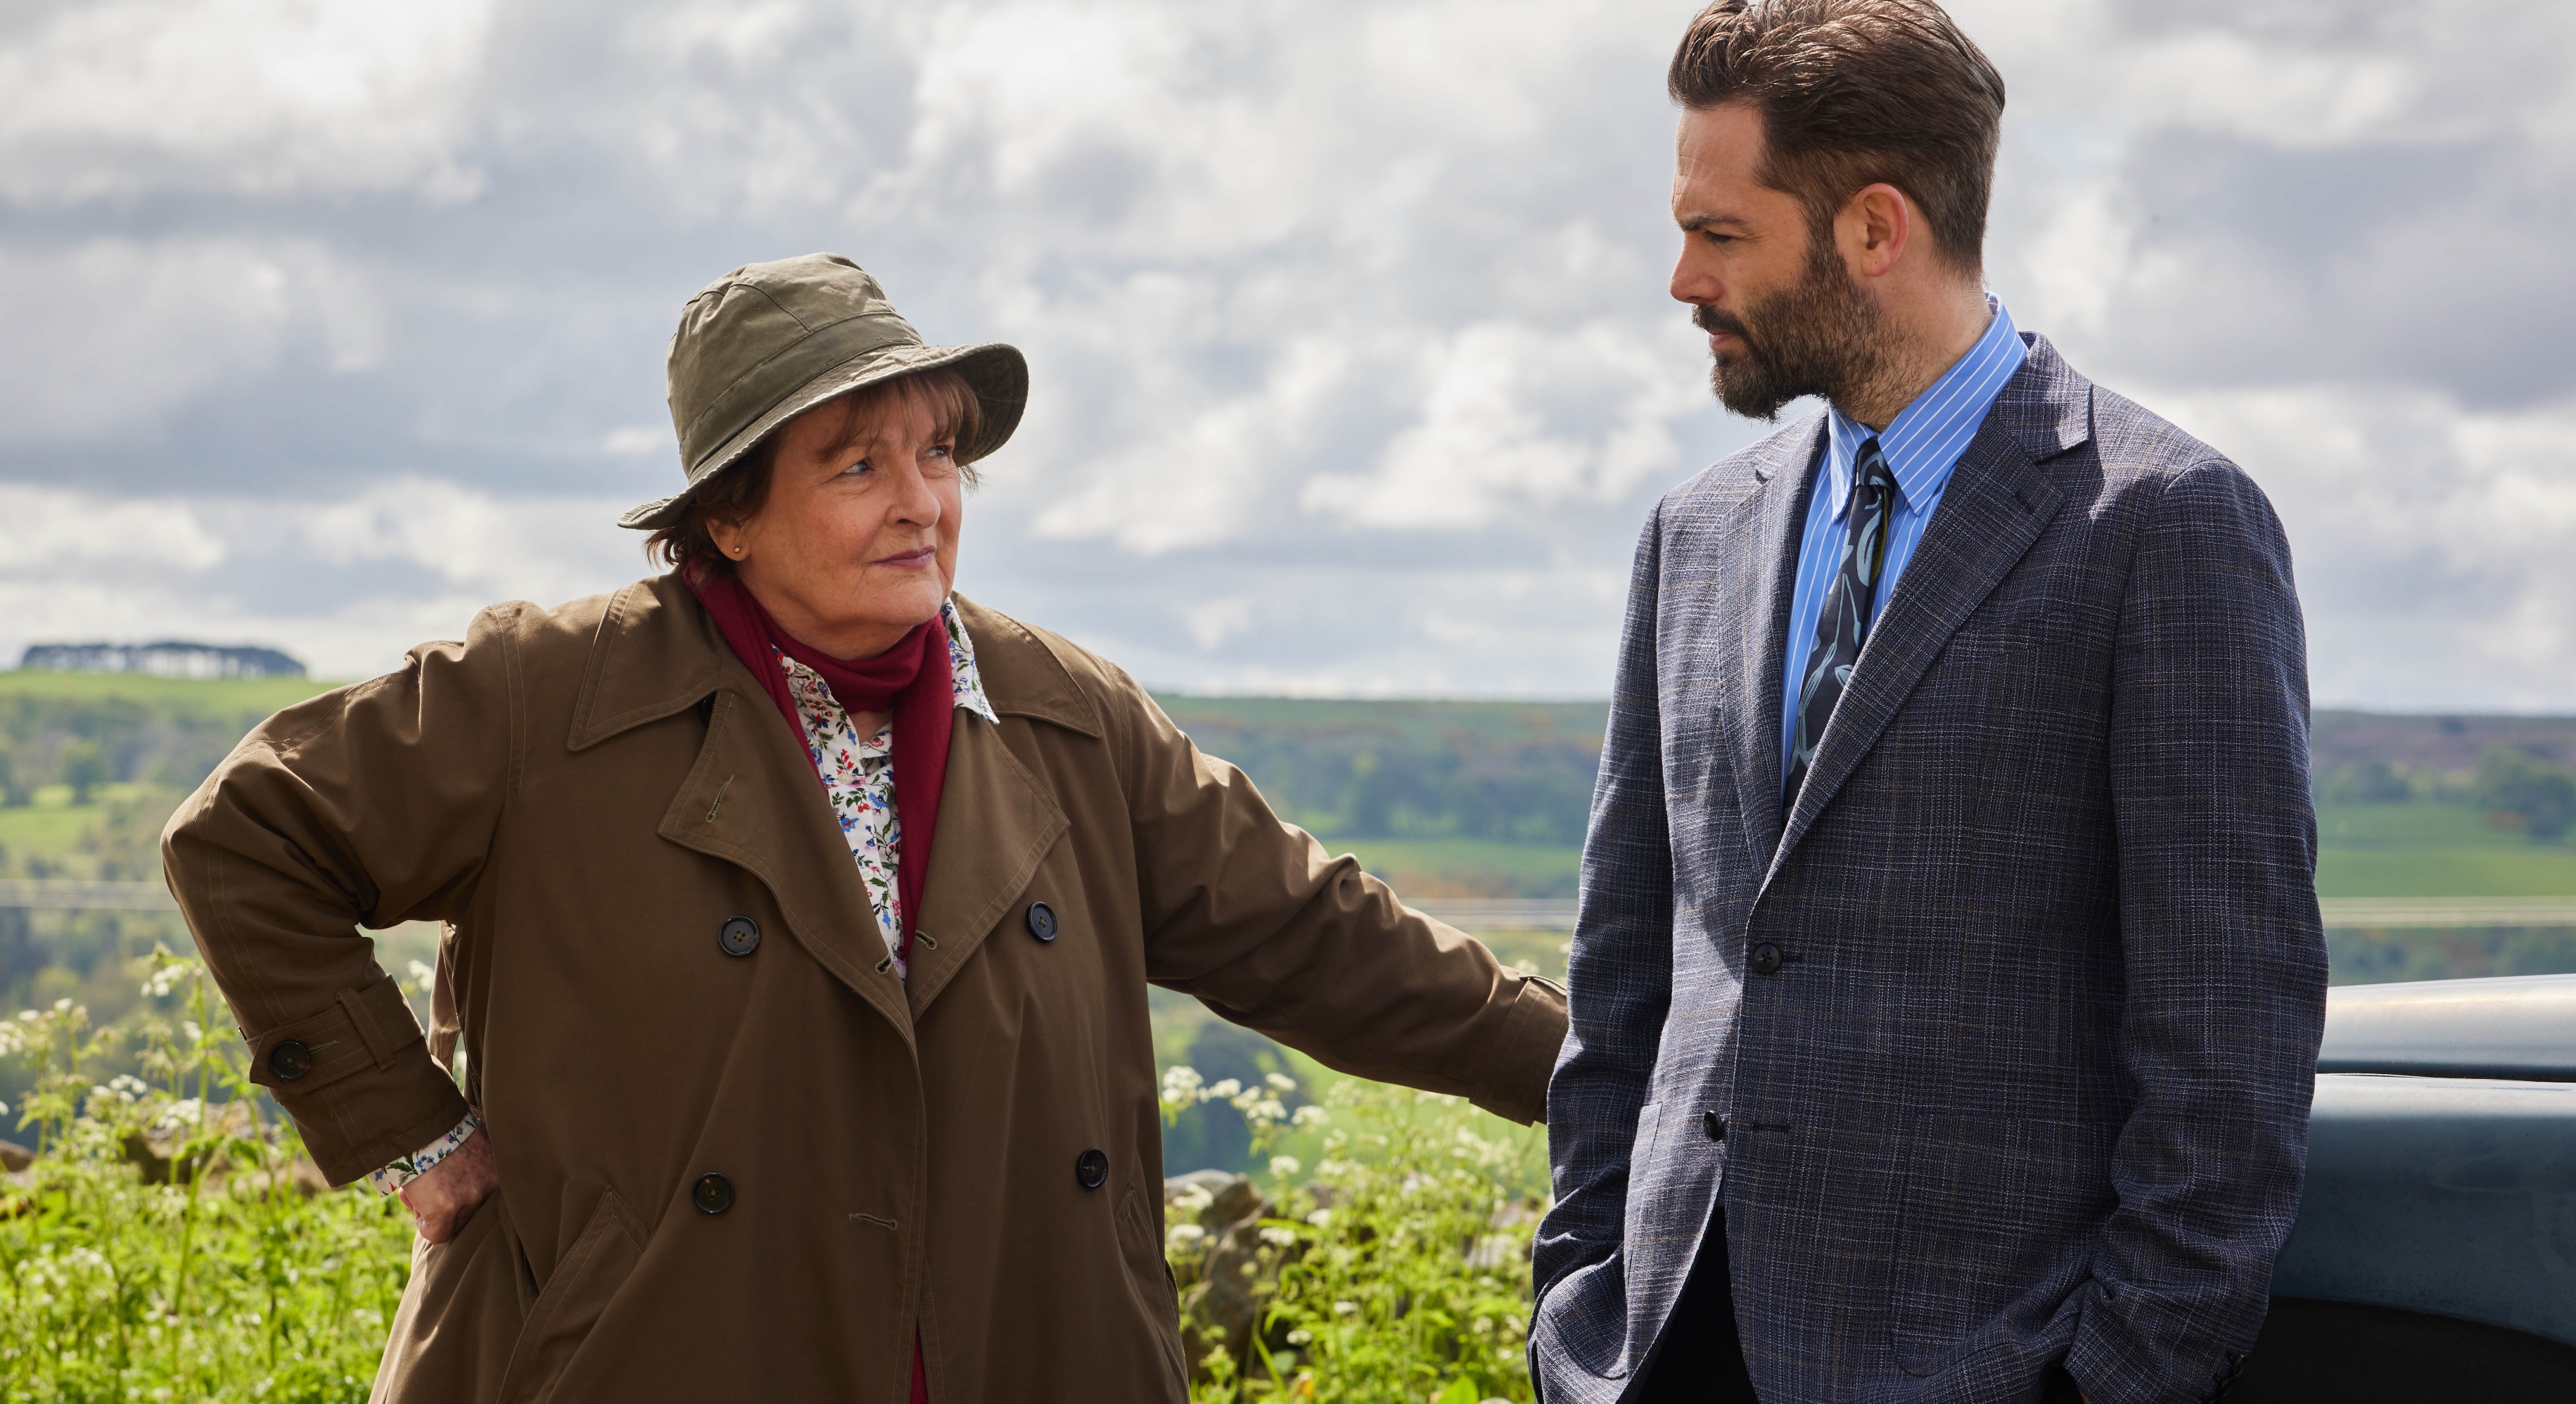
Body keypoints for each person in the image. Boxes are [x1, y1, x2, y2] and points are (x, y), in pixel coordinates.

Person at [163, 253, 1570, 1402]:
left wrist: (1607, 1072)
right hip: (633, 1359)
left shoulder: (1064, 712)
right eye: (857, 466)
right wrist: (406, 1127)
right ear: (727, 514)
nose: (925, 504)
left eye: (940, 455)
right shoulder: (550, 697)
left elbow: (1321, 941)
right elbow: (245, 836)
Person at [1529, 0, 2323, 1404]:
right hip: (1650, 1354)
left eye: (1720, 235)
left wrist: (2109, 1381)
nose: (1682, 282)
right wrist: (1579, 1294)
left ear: (1875, 229)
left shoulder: (2165, 526)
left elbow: (2229, 1035)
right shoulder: (1693, 535)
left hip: (1979, 1367)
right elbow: (1627, 967)